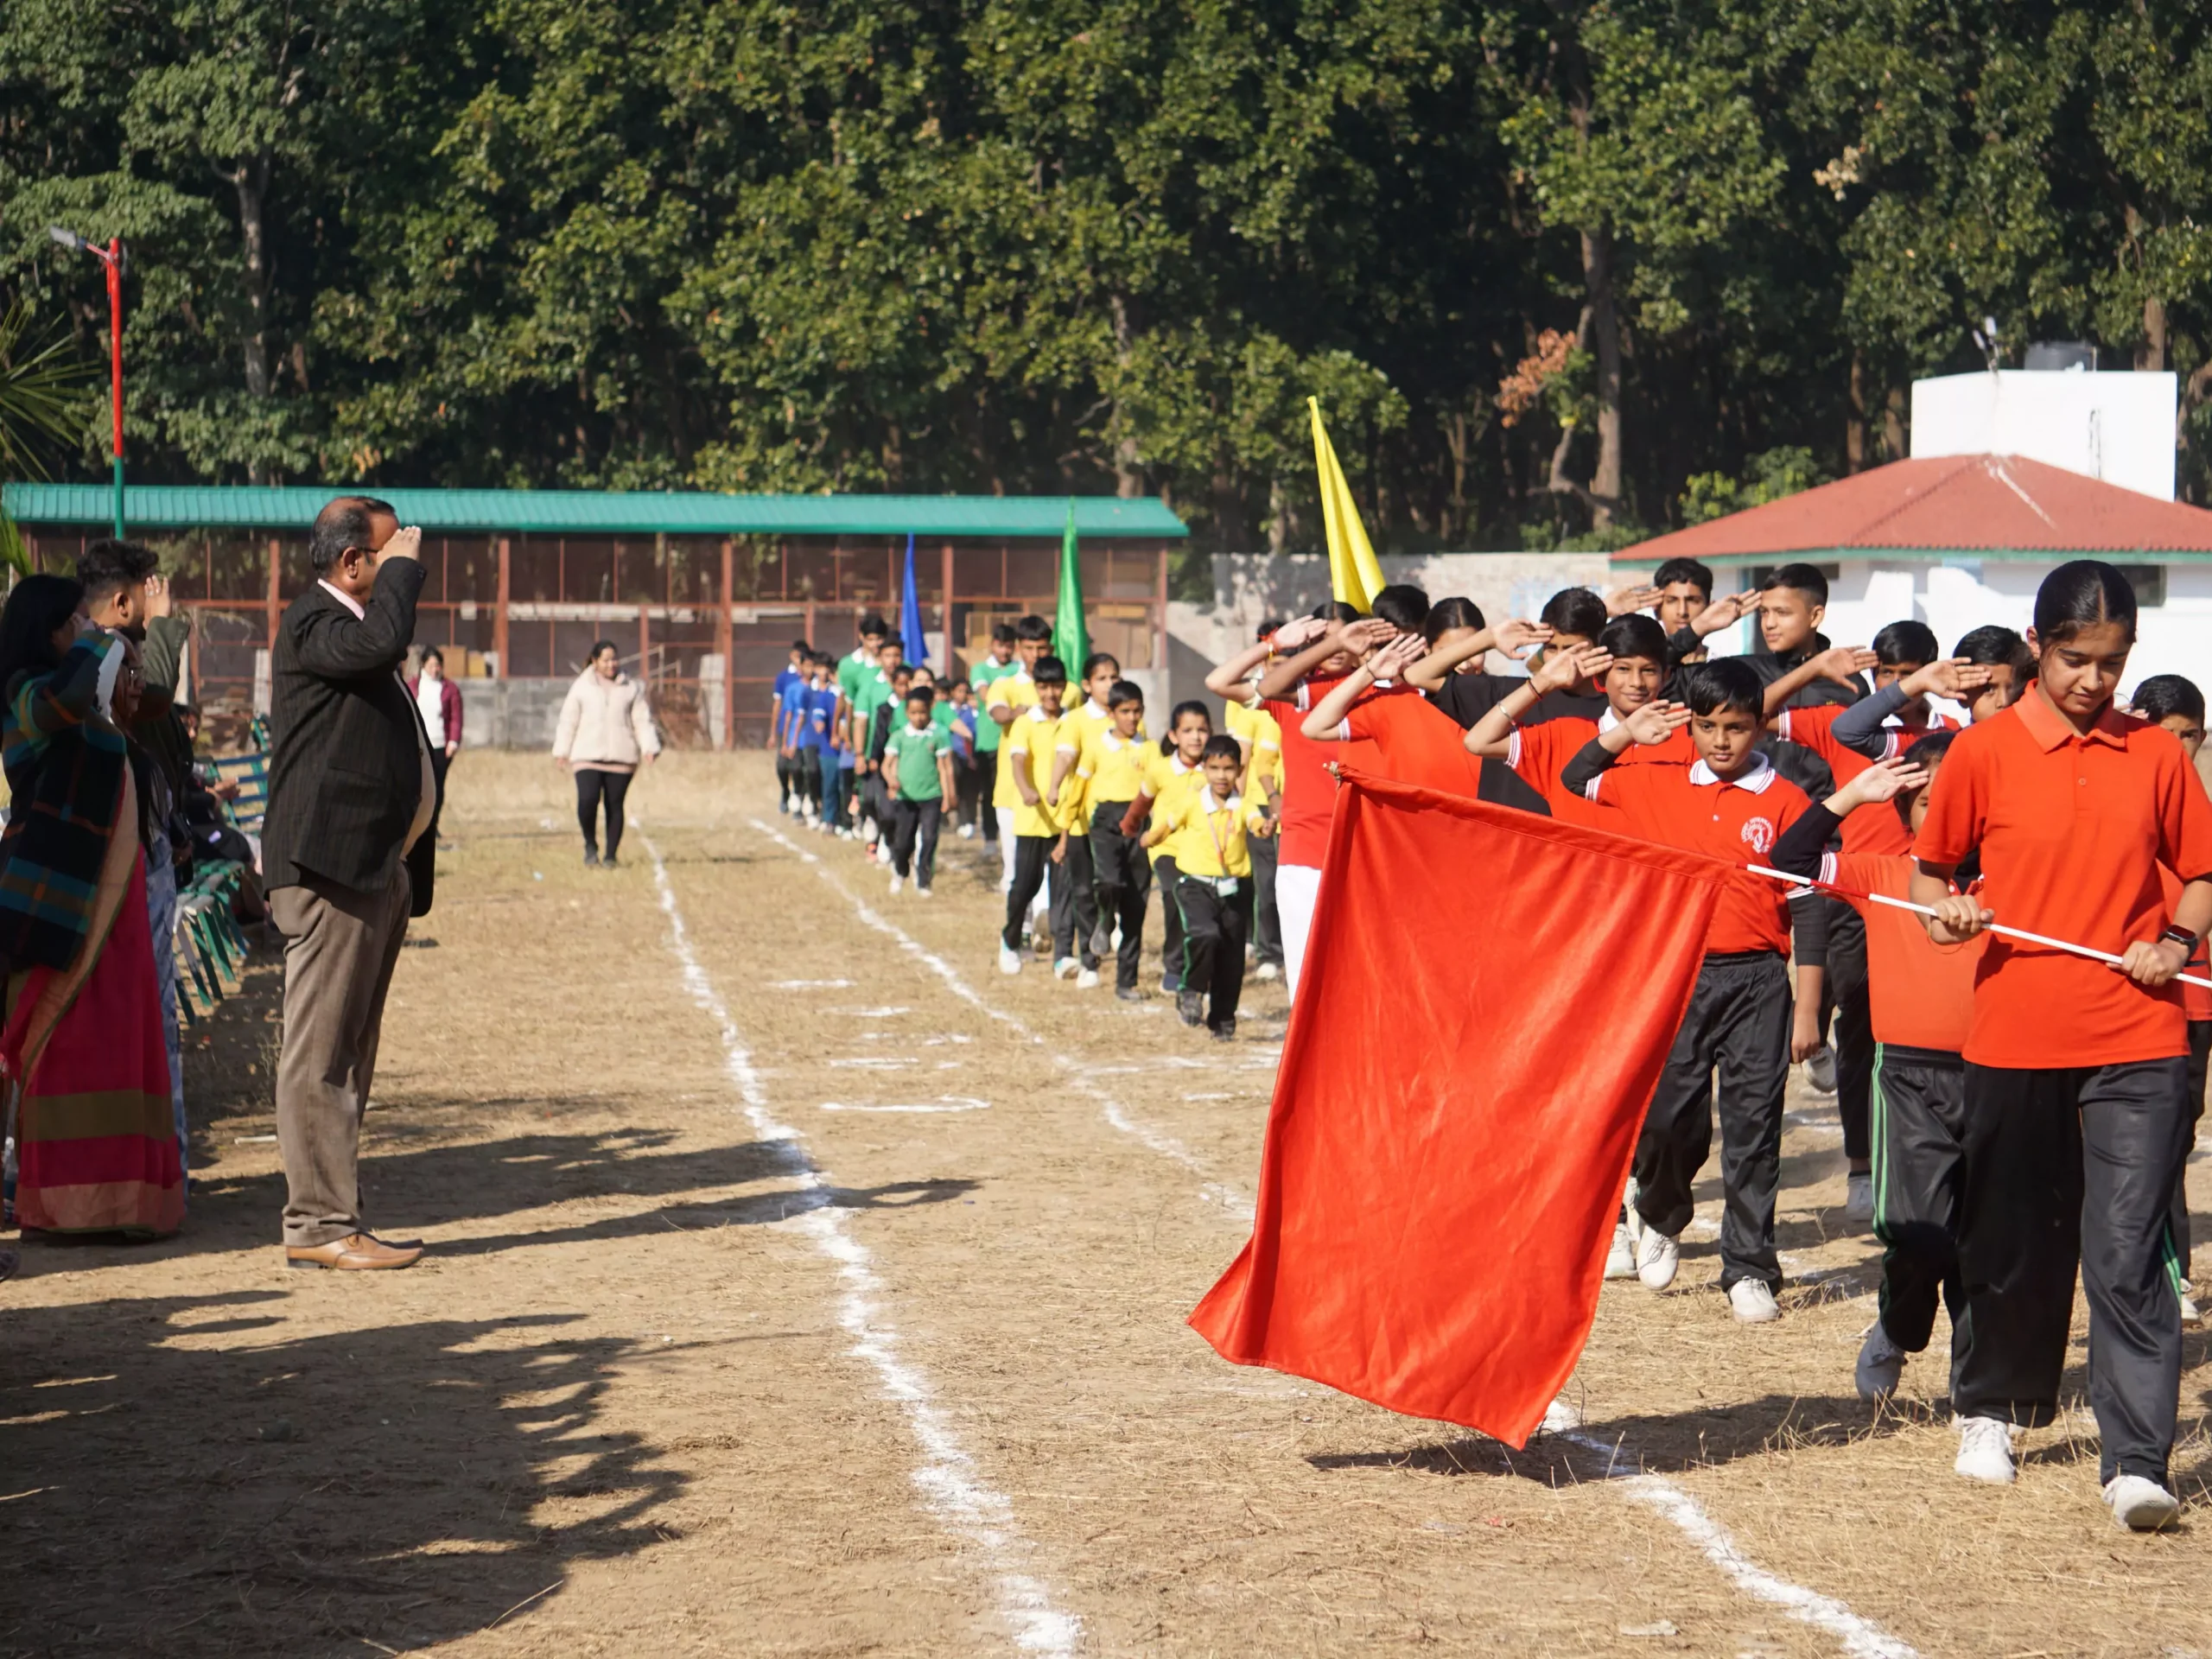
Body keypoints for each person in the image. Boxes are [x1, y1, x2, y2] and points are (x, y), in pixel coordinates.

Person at [1910, 561, 2212, 1529]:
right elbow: (1928, 877)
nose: (2094, 680)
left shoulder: (2156, 756)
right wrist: (1946, 916)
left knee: (2124, 1248)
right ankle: (1993, 1410)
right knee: (2012, 1239)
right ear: (2037, 646)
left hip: (2139, 1036)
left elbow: (2201, 875)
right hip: (2015, 1033)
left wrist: (2172, 942)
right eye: (2076, 659)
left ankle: (2134, 1462)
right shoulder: (1983, 753)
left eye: (2111, 663)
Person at [1560, 658, 1815, 1325]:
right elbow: (1575, 777)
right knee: (1671, 1115)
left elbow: (1811, 908)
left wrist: (1809, 1007)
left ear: (1760, 724)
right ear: (1692, 726)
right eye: (1707, 727)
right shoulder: (1653, 785)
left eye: (1736, 726)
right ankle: (1661, 1210)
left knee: (1754, 1127)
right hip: (1674, 972)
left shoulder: (1789, 802)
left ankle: (1750, 1267)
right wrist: (1625, 733)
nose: (1722, 741)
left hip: (1760, 979)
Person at [262, 496, 436, 1271]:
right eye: (388, 548)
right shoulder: (314, 622)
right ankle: (319, 1225)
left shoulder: (348, 628)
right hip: (329, 868)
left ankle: (337, 1213)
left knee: (348, 1050)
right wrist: (405, 572)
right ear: (352, 563)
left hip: (367, 869)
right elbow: (380, 643)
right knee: (320, 1052)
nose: (405, 554)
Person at [1770, 739, 1973, 1404]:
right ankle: (1895, 1329)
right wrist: (1854, 795)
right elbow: (1788, 860)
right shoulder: (1883, 875)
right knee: (1918, 1235)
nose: (1941, 815)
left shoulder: (2019, 879)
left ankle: (1978, 1387)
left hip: (2004, 1073)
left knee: (1986, 1240)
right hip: (1911, 1078)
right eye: (1924, 801)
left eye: (1958, 803)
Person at [1766, 622, 1979, 1221]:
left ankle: (1864, 1156)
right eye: (1886, 673)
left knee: (1864, 1028)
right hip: (1864, 895)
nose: (1897, 684)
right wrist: (1859, 792)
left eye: (1909, 671)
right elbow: (1837, 729)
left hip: (1928, 911)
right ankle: (1863, 1157)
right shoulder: (1872, 740)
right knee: (1848, 1017)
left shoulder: (1955, 738)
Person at [0, 581, 182, 1239]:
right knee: (62, 1044)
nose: (88, 621)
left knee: (118, 1040)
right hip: (58, 898)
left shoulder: (88, 690)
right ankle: (65, 1208)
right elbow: (67, 702)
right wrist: (100, 639)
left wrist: (157, 634)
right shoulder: (26, 693)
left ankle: (123, 1203)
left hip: (110, 899)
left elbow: (155, 699)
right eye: (75, 615)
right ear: (50, 630)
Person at [74, 540, 194, 1188]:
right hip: (121, 864)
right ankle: (156, 1163)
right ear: (124, 601)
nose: (135, 675)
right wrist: (165, 624)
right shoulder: (101, 655)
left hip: (138, 849)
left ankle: (153, 1161)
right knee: (145, 1013)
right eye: (146, 591)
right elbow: (152, 696)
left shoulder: (95, 656)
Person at [2126, 673, 2212, 1320]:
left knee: (2176, 1135)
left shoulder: (2199, 807)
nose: (2179, 747)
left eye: (2191, 735)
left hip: (2196, 997)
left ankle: (2169, 1269)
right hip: (2135, 996)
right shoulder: (2125, 798)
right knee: (2146, 1137)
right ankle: (2159, 1272)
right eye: (2168, 734)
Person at [1463, 613, 1688, 818]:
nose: (1636, 683)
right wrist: (1542, 683)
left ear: (1665, 676)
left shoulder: (1689, 736)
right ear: (1600, 677)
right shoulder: (1563, 735)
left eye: (1648, 671)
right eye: (1622, 669)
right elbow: (1478, 741)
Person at [1144, 734, 1272, 1039]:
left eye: (1228, 769)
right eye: (1214, 769)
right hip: (1195, 885)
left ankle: (1223, 1021)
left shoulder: (1243, 805)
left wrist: (1264, 827)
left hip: (1235, 888)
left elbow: (1255, 820)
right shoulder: (1192, 801)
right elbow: (1167, 824)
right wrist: (1151, 838)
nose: (1221, 776)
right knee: (1204, 933)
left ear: (1239, 771)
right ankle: (1191, 990)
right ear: (1204, 769)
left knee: (1231, 956)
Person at [1120, 702, 1213, 993]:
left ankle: (1200, 968)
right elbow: (1141, 803)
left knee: (1204, 911)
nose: (1195, 737)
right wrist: (1128, 829)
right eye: (1187, 730)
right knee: (1175, 898)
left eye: (1202, 730)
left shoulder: (1215, 771)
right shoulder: (1160, 770)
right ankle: (1173, 967)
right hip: (1166, 848)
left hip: (1203, 853)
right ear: (1173, 736)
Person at [552, 639, 660, 868]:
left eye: (614, 659)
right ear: (595, 661)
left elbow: (641, 720)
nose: (611, 664)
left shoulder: (631, 686)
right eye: (606, 660)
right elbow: (569, 720)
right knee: (587, 801)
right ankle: (590, 845)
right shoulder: (582, 686)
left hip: (622, 756)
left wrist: (649, 747)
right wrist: (562, 749)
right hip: (586, 754)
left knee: (615, 805)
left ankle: (611, 856)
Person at [1077, 679, 1154, 1001]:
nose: (1132, 718)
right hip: (1105, 821)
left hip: (1137, 822)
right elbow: (1078, 787)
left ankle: (1126, 981)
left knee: (1136, 903)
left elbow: (1155, 789)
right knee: (1108, 882)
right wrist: (1067, 829)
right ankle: (1105, 921)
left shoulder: (1149, 749)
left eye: (1137, 711)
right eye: (1125, 711)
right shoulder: (1097, 745)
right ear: (1111, 713)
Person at [998, 655, 1070, 976]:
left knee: (1066, 890)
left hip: (1068, 820)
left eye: (1056, 687)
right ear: (1036, 689)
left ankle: (1064, 956)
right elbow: (1016, 761)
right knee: (1025, 885)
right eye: (1044, 687)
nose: (1050, 694)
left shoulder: (1073, 721)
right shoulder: (1026, 723)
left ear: (1065, 688)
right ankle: (1010, 941)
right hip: (1033, 820)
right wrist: (1026, 790)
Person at [1224, 620, 1286, 981]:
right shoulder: (1255, 709)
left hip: (1300, 806)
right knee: (1266, 881)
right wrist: (1237, 803)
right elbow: (1245, 761)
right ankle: (1266, 949)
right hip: (1263, 806)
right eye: (1274, 663)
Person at [988, 616, 1053, 936]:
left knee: (1049, 863)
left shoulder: (1061, 690)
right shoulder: (1006, 684)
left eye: (1041, 648)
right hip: (1012, 794)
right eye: (1029, 648)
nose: (1036, 655)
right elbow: (997, 711)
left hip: (1053, 793)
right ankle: (1021, 927)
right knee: (1017, 867)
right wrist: (1017, 713)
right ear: (1019, 649)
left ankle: (1045, 919)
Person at [883, 685, 956, 896]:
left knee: (930, 838)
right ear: (907, 713)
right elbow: (887, 764)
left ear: (929, 711)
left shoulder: (939, 735)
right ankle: (901, 870)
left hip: (931, 796)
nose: (918, 717)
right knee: (903, 841)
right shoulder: (899, 736)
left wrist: (948, 795)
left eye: (922, 712)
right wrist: (891, 781)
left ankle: (923, 880)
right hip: (906, 797)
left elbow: (945, 767)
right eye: (914, 713)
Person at [969, 621, 1020, 848]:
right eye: (1000, 645)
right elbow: (986, 694)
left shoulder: (1019, 669)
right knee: (990, 791)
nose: (1004, 651)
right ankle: (990, 837)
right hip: (988, 741)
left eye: (1009, 646)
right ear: (992, 646)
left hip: (1015, 739)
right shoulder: (980, 669)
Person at [406, 646, 463, 849]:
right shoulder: (413, 687)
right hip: (417, 745)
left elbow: (456, 718)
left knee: (437, 788)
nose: (434, 669)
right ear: (423, 665)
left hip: (440, 746)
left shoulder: (449, 689)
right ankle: (416, 825)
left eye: (438, 665)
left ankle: (433, 824)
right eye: (431, 665)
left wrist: (453, 742)